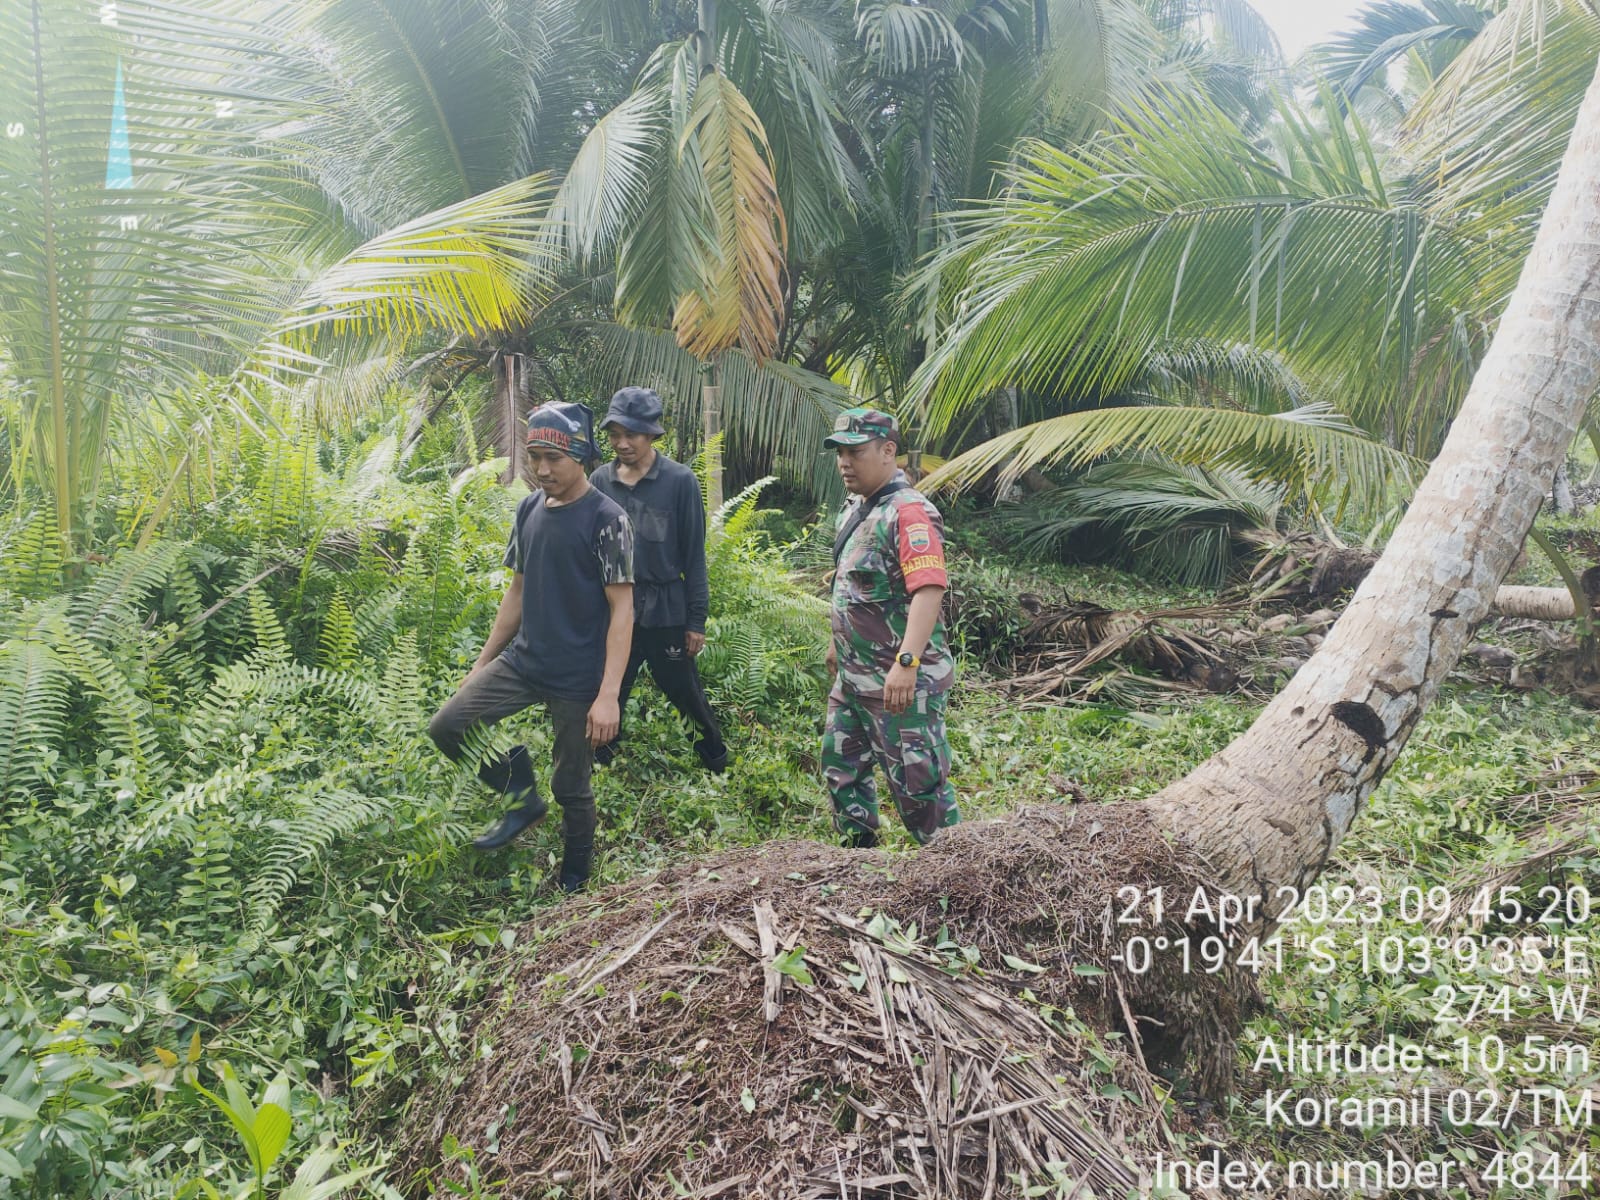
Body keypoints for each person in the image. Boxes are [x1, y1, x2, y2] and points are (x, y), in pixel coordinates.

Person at [426, 401, 634, 891]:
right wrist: (482, 663)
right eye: (534, 456)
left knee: (571, 784)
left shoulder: (608, 520)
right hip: (524, 661)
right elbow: (516, 593)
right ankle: (520, 790)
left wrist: (608, 695)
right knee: (448, 726)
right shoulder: (528, 508)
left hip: (577, 676)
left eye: (553, 459)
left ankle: (575, 875)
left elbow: (623, 611)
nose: (542, 469)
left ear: (580, 456)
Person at [822, 406, 959, 848]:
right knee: (841, 768)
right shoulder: (855, 510)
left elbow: (929, 589)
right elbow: (850, 586)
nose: (845, 462)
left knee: (919, 787)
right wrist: (834, 642)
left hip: (900, 683)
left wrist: (906, 661)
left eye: (855, 452)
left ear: (888, 451)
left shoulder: (909, 513)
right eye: (840, 452)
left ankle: (953, 875)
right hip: (854, 675)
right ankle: (857, 863)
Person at [589, 386, 728, 773]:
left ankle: (715, 760)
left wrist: (696, 620)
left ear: (652, 434)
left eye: (630, 434)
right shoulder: (600, 481)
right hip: (616, 612)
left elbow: (693, 555)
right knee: (610, 687)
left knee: (685, 692)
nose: (622, 443)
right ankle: (601, 763)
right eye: (615, 434)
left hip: (666, 609)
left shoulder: (679, 481)